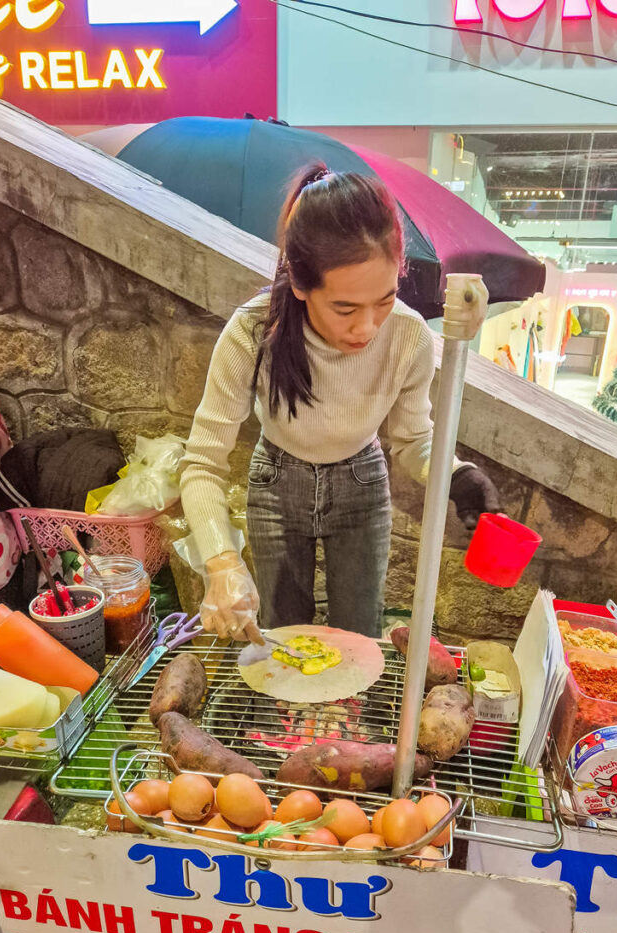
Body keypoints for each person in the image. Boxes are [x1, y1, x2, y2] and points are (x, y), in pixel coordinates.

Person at [180, 162, 500, 642]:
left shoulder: (409, 336)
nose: (367, 328)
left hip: (361, 483)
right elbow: (202, 464)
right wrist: (221, 561)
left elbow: (414, 441)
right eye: (345, 308)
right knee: (283, 638)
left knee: (359, 638)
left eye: (385, 300)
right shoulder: (251, 332)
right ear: (302, 285)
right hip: (276, 484)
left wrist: (457, 475)